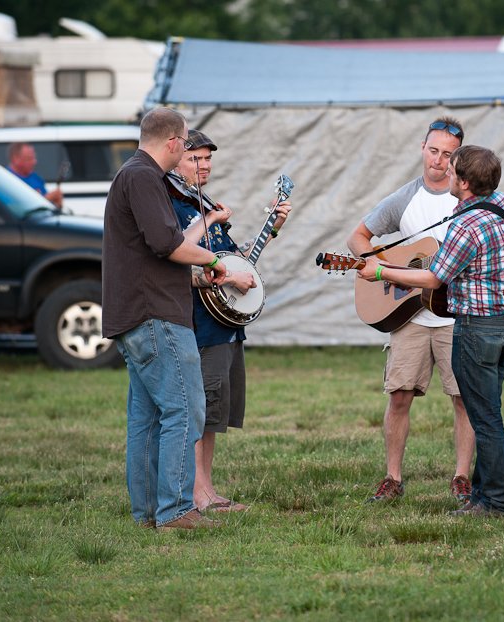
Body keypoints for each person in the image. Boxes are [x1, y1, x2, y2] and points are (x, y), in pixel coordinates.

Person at [358, 144, 504, 517]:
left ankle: (498, 502)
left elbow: (435, 277)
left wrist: (381, 271)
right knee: (488, 411)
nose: (446, 174)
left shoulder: (466, 226)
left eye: (453, 171)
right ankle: (483, 496)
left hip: (477, 329)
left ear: (466, 182)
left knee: (485, 419)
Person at [102, 107, 228, 531]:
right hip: (155, 315)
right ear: (173, 141)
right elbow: (165, 243)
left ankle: (147, 514)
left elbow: (158, 245)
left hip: (134, 315)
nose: (187, 155)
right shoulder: (143, 177)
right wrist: (213, 260)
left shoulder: (132, 175)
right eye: (186, 146)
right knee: (185, 410)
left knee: (146, 418)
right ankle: (175, 510)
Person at [347, 117, 475, 504]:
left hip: (457, 315)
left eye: (448, 155)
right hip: (411, 317)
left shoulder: (467, 198)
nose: (438, 161)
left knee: (463, 398)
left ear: (459, 159)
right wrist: (392, 270)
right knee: (399, 395)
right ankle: (392, 478)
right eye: (433, 151)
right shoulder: (405, 197)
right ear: (422, 148)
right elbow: (357, 238)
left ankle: (461, 477)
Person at [165, 129, 291, 512]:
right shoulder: (173, 205)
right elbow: (179, 264)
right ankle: (197, 495)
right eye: (194, 159)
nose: (204, 166)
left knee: (213, 415)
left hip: (225, 326)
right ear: (176, 160)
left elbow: (239, 260)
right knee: (199, 410)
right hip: (197, 326)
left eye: (208, 159)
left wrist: (273, 226)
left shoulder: (205, 205)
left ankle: (207, 489)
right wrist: (223, 273)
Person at [7, 142, 64, 209]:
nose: (34, 161)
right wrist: (46, 199)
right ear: (15, 159)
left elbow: (48, 208)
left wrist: (57, 204)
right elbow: (15, 209)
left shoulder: (36, 179)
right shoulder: (6, 181)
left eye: (34, 158)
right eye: (29, 158)